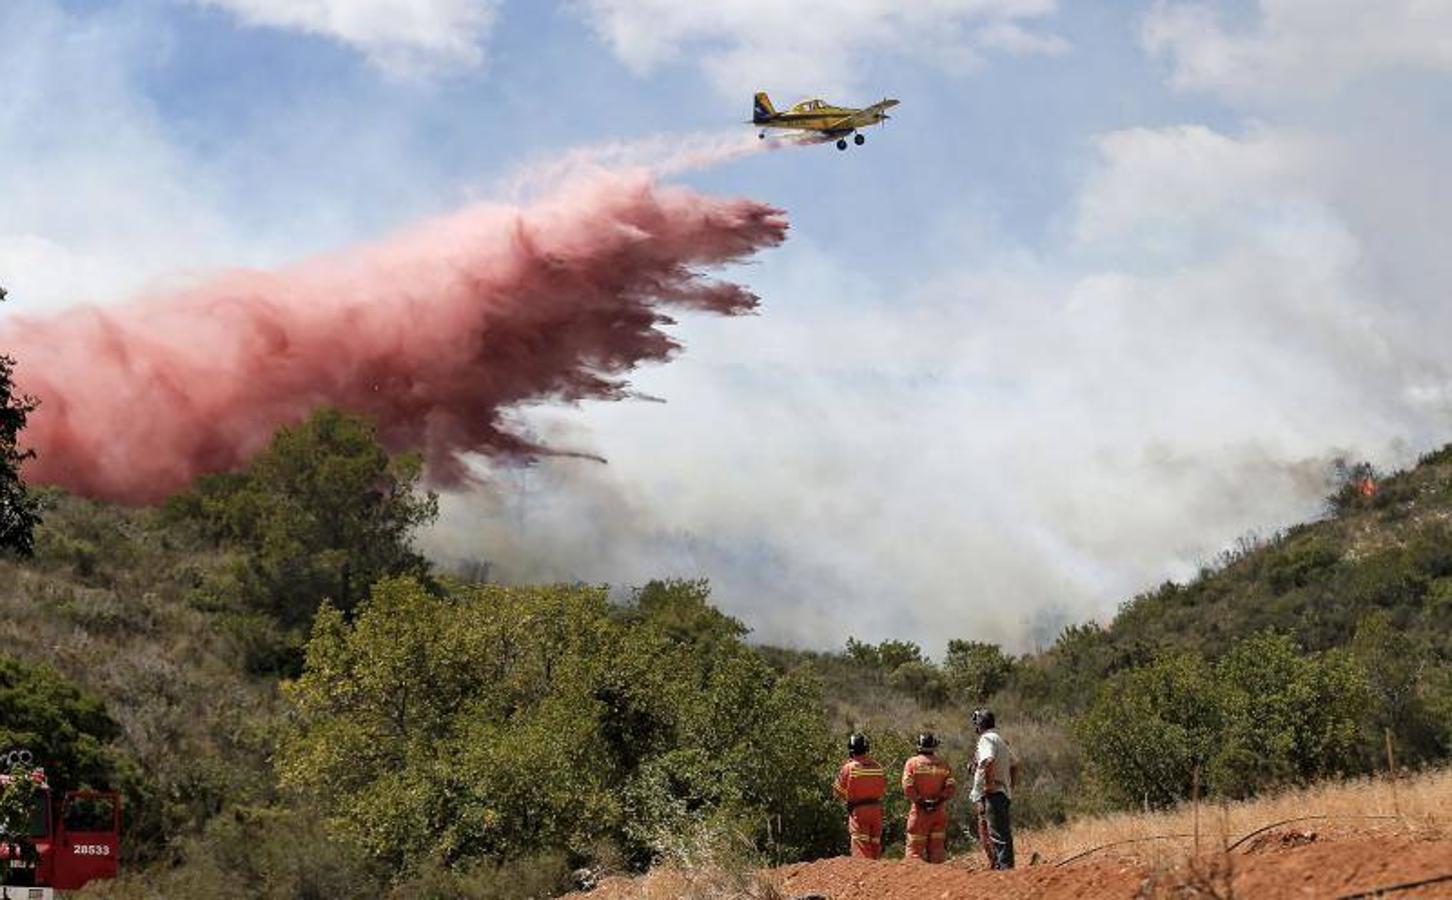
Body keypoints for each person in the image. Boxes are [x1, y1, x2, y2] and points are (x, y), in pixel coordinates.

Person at [970, 708, 1019, 870]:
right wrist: (1010, 786)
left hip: (993, 792)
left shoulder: (987, 739)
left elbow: (988, 760)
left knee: (996, 835)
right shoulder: (998, 739)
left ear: (979, 725)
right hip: (1001, 792)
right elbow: (1015, 764)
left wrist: (988, 785)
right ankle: (1004, 867)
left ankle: (1004, 870)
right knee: (1000, 833)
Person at [901, 731, 955, 862]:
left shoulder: (912, 763)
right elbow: (951, 787)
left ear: (919, 746)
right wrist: (937, 801)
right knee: (937, 852)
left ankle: (913, 881)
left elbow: (908, 787)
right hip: (938, 812)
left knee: (914, 853)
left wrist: (921, 802)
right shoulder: (944, 765)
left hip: (919, 813)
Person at [833, 733, 887, 858]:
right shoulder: (878, 767)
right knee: (875, 849)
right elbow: (883, 788)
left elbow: (837, 790)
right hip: (876, 811)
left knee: (861, 850)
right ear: (866, 749)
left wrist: (849, 799)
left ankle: (865, 876)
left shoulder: (848, 768)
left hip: (859, 812)